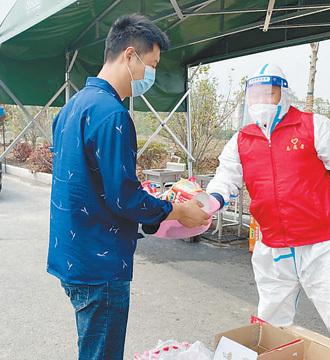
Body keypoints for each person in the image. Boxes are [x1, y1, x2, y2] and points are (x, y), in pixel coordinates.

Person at [47, 14, 209, 360]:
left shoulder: (71, 107)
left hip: (72, 256)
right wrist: (177, 210)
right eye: (151, 64)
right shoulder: (112, 114)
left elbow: (93, 181)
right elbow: (124, 198)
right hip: (100, 262)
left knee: (91, 346)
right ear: (130, 55)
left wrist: (153, 203)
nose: (150, 74)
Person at [207, 63, 330, 349]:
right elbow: (225, 178)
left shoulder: (313, 126)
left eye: (268, 94)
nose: (260, 102)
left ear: (283, 95)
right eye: (254, 95)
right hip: (273, 244)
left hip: (321, 244)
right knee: (271, 322)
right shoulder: (242, 140)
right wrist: (210, 202)